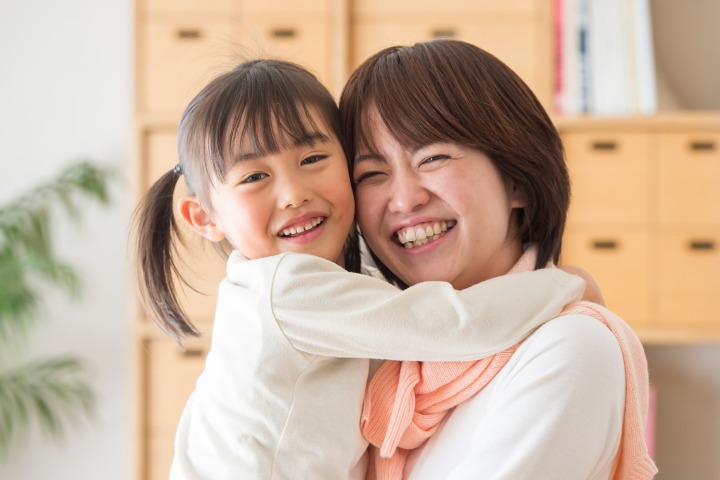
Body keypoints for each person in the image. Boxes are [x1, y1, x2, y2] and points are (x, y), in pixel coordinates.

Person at [132, 59, 590, 479]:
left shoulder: (306, 287)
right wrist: (565, 285)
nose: (294, 193)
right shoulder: (286, 291)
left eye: (312, 160)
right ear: (205, 218)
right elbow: (453, 324)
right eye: (254, 177)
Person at [339, 39, 657, 479]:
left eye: (432, 157)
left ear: (518, 183)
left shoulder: (570, 348)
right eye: (371, 174)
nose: (404, 199)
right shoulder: (389, 368)